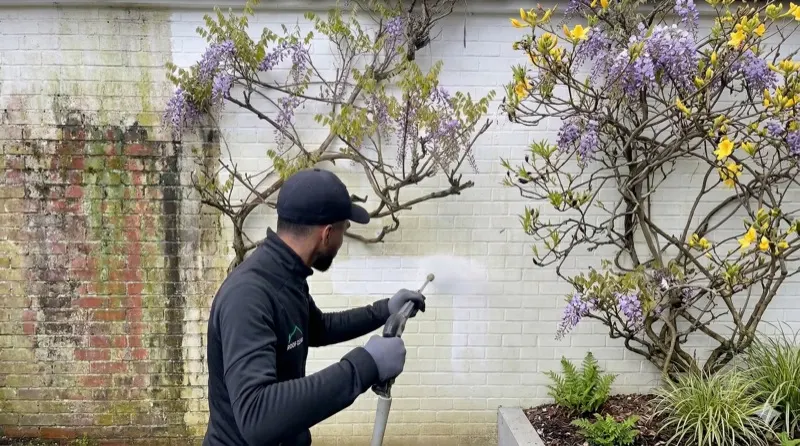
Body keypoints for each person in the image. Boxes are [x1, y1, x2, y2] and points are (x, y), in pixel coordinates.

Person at [202, 168, 427, 446]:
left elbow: (317, 328)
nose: (342, 241)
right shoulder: (248, 296)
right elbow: (256, 416)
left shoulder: (287, 273)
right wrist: (365, 365)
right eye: (344, 230)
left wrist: (385, 310)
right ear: (327, 233)